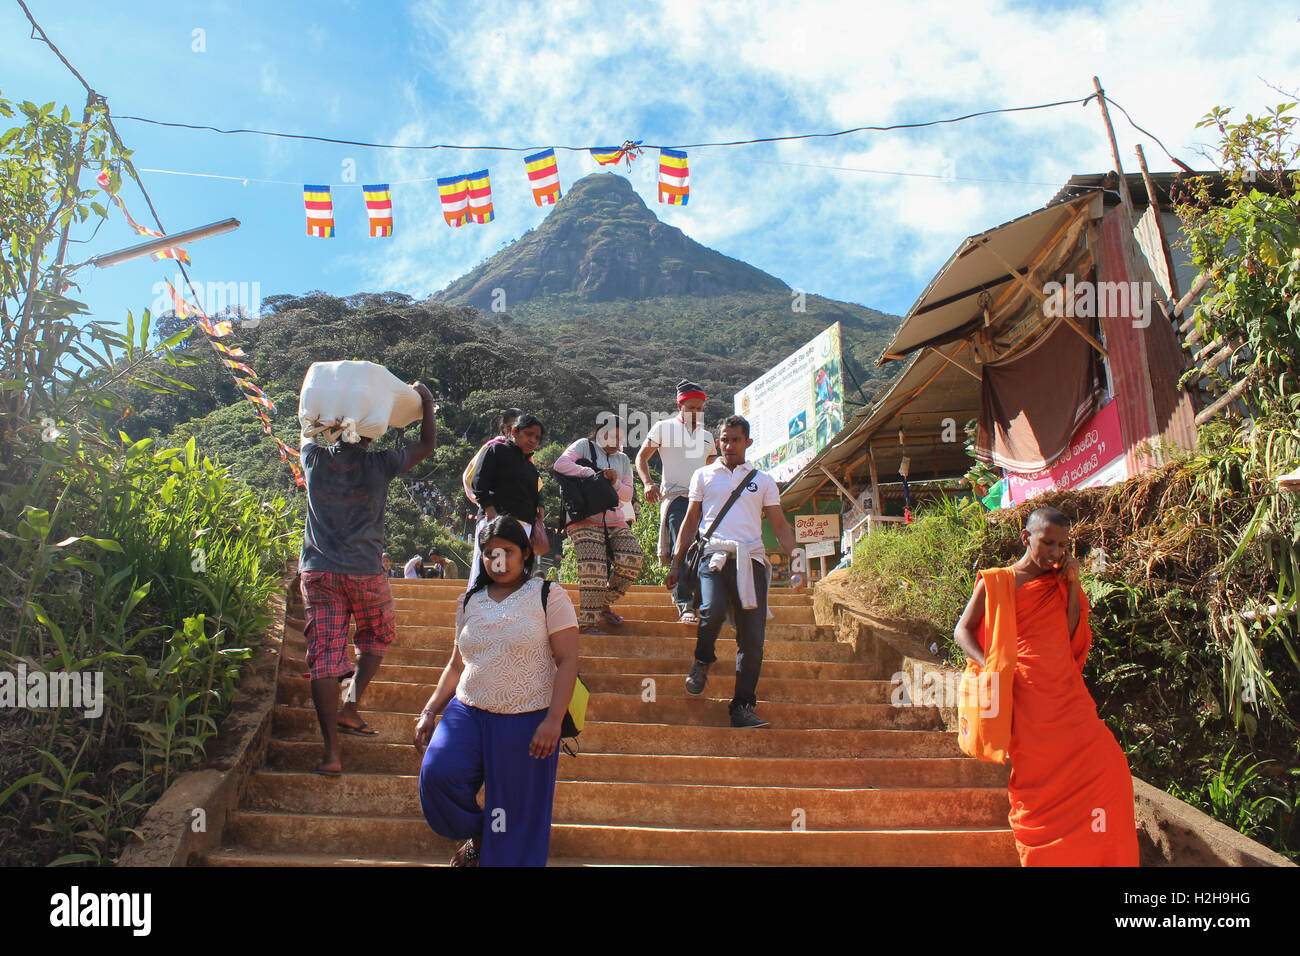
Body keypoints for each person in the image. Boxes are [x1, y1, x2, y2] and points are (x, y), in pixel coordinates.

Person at [952, 505, 1139, 866]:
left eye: (1063, 545)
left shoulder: (1059, 582)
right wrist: (991, 667)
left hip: (1068, 698)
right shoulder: (996, 580)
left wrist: (1073, 585)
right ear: (1027, 538)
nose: (1056, 552)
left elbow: (1070, 635)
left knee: (1111, 770)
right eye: (1048, 543)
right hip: (1026, 700)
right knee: (1039, 793)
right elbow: (962, 630)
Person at [414, 516, 579, 866]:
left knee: (512, 816)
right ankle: (480, 834)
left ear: (525, 554)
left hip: (527, 717)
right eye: (490, 553)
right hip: (468, 711)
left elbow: (567, 661)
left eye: (507, 551)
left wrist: (553, 720)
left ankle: (490, 846)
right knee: (438, 775)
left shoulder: (549, 595)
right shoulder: (468, 601)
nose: (498, 560)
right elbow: (456, 664)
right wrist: (430, 710)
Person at [298, 380, 437, 775]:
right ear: (369, 433)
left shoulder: (312, 458)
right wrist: (425, 401)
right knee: (376, 635)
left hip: (318, 571)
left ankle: (331, 754)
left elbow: (305, 423)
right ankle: (351, 706)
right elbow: (427, 445)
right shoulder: (380, 464)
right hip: (364, 571)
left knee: (323, 658)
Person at [665, 415, 799, 729]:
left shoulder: (763, 480)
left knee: (752, 640)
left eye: (736, 439)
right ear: (718, 441)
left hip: (750, 561)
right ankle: (702, 659)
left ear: (747, 442)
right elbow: (690, 522)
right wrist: (675, 561)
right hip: (713, 558)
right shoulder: (703, 475)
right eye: (724, 439)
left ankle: (742, 707)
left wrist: (796, 560)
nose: (729, 445)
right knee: (709, 611)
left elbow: (780, 525)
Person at [637, 379, 717, 624]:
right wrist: (648, 483)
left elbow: (713, 469)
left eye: (699, 408)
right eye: (690, 407)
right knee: (680, 550)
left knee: (706, 551)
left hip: (704, 501)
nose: (695, 412)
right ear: (680, 406)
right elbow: (642, 458)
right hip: (678, 498)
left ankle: (705, 603)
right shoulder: (664, 427)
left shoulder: (707, 436)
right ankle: (685, 605)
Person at [555, 418, 644, 633]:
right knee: (593, 568)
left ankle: (601, 602)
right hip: (584, 516)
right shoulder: (584, 446)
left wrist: (613, 481)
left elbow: (627, 494)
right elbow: (561, 465)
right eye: (612, 435)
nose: (616, 441)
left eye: (620, 438)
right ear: (599, 432)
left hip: (615, 518)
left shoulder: (622, 459)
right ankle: (588, 623)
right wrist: (592, 473)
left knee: (633, 559)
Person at [469, 413, 547, 591]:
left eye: (537, 438)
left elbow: (533, 496)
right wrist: (489, 509)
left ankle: (509, 616)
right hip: (494, 521)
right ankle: (473, 614)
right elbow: (478, 482)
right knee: (484, 571)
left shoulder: (531, 468)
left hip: (523, 527)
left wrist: (536, 518)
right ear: (514, 431)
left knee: (515, 574)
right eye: (529, 434)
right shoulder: (495, 450)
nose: (533, 440)